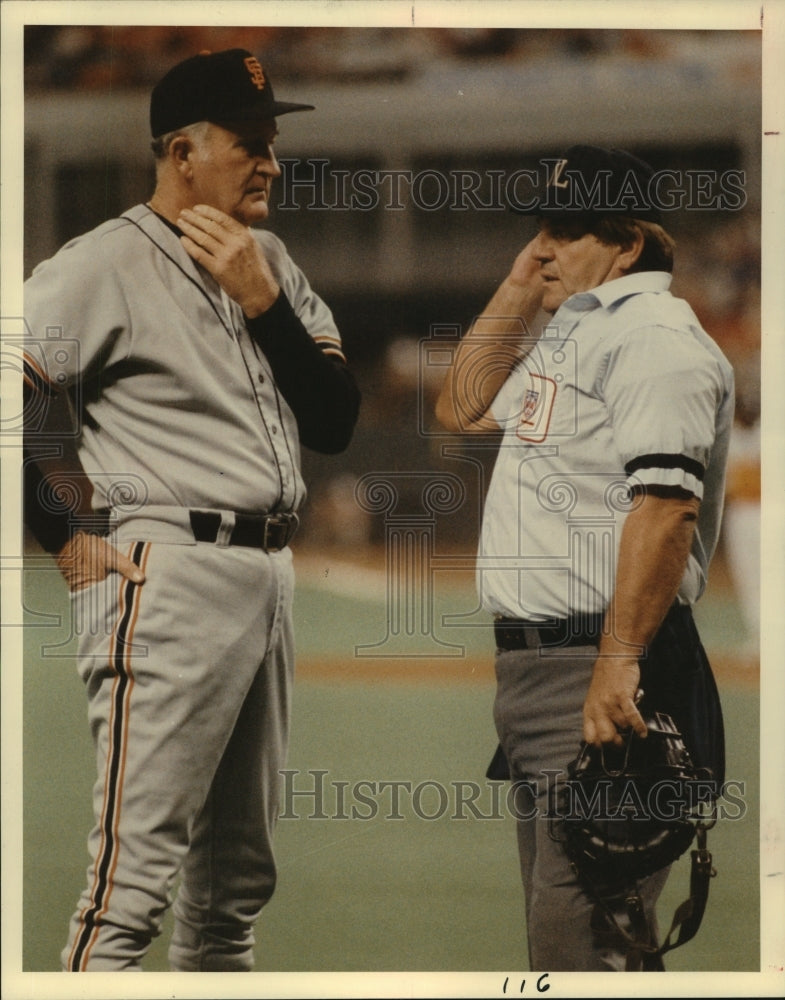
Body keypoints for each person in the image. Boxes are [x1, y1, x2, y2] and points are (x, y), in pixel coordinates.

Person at [23, 48, 360, 972]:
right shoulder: (103, 262)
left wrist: (264, 305)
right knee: (126, 900)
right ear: (181, 152)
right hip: (166, 575)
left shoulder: (272, 263)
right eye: (249, 143)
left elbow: (332, 419)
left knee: (232, 900)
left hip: (266, 579)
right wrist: (67, 538)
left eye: (273, 144)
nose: (271, 163)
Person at [435, 145, 734, 971]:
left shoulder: (652, 339)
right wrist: (523, 282)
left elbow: (666, 508)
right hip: (545, 675)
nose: (542, 246)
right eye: (539, 228)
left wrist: (616, 665)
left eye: (566, 229)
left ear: (627, 244)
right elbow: (459, 404)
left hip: (603, 665)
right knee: (577, 946)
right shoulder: (579, 331)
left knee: (583, 950)